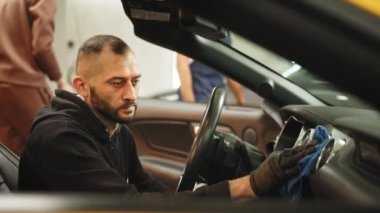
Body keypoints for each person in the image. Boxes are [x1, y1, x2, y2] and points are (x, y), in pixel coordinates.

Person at [18, 35, 316, 199]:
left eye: (134, 81)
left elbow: (145, 185)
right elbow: (132, 206)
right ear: (82, 86)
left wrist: (193, 199)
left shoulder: (114, 129)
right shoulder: (61, 139)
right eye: (117, 83)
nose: (132, 95)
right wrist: (247, 185)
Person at [0, 0, 71, 156]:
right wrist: (59, 79)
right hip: (23, 82)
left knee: (10, 160)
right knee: (58, 151)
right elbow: (41, 47)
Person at [176, 54, 245, 105]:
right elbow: (182, 66)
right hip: (201, 100)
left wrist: (241, 102)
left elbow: (230, 73)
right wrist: (190, 106)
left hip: (216, 100)